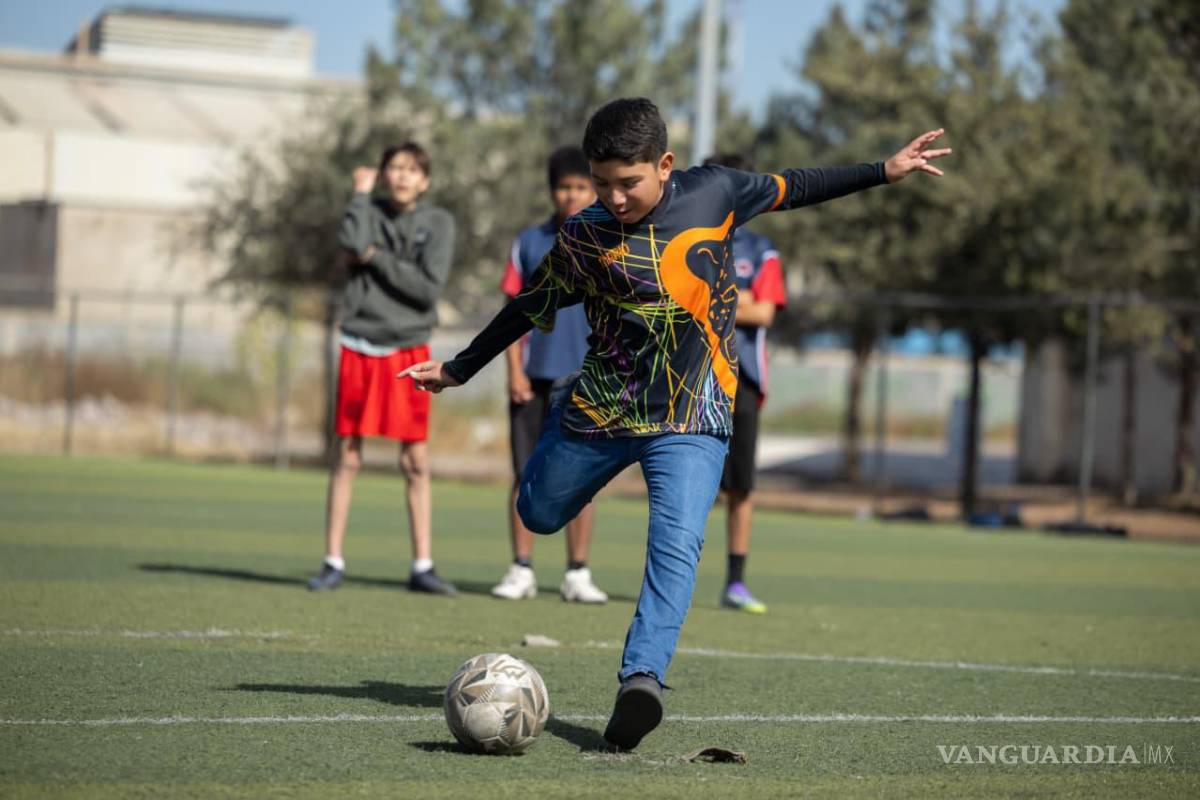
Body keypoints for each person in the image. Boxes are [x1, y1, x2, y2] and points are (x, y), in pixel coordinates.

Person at [399, 98, 950, 749]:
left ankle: (642, 680)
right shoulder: (583, 235)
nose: (615, 196)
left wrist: (883, 171)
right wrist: (461, 368)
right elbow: (528, 306)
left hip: (694, 413)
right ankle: (559, 432)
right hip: (602, 407)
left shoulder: (716, 191)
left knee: (677, 541)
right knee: (539, 513)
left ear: (665, 164)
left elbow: (795, 185)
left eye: (627, 182)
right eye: (602, 183)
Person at [308, 142, 458, 596]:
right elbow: (351, 241)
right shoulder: (366, 210)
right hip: (358, 344)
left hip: (409, 350)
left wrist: (375, 258)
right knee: (347, 455)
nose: (401, 176)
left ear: (425, 180)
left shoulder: (438, 223)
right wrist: (358, 193)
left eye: (411, 169)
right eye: (393, 167)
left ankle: (422, 566)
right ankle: (333, 560)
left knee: (414, 460)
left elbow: (425, 289)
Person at [492, 147, 609, 604]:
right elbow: (509, 312)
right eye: (565, 187)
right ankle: (521, 568)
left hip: (589, 378)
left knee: (584, 478)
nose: (573, 195)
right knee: (525, 475)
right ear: (552, 191)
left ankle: (577, 572)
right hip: (534, 377)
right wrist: (514, 372)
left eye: (582, 187)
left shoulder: (612, 238)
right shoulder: (529, 242)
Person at [703, 152, 786, 615]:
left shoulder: (761, 250)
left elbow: (765, 311)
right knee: (687, 484)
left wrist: (717, 299)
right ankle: (674, 576)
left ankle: (735, 582)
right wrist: (740, 299)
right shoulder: (690, 240)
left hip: (743, 381)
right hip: (691, 377)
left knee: (741, 488)